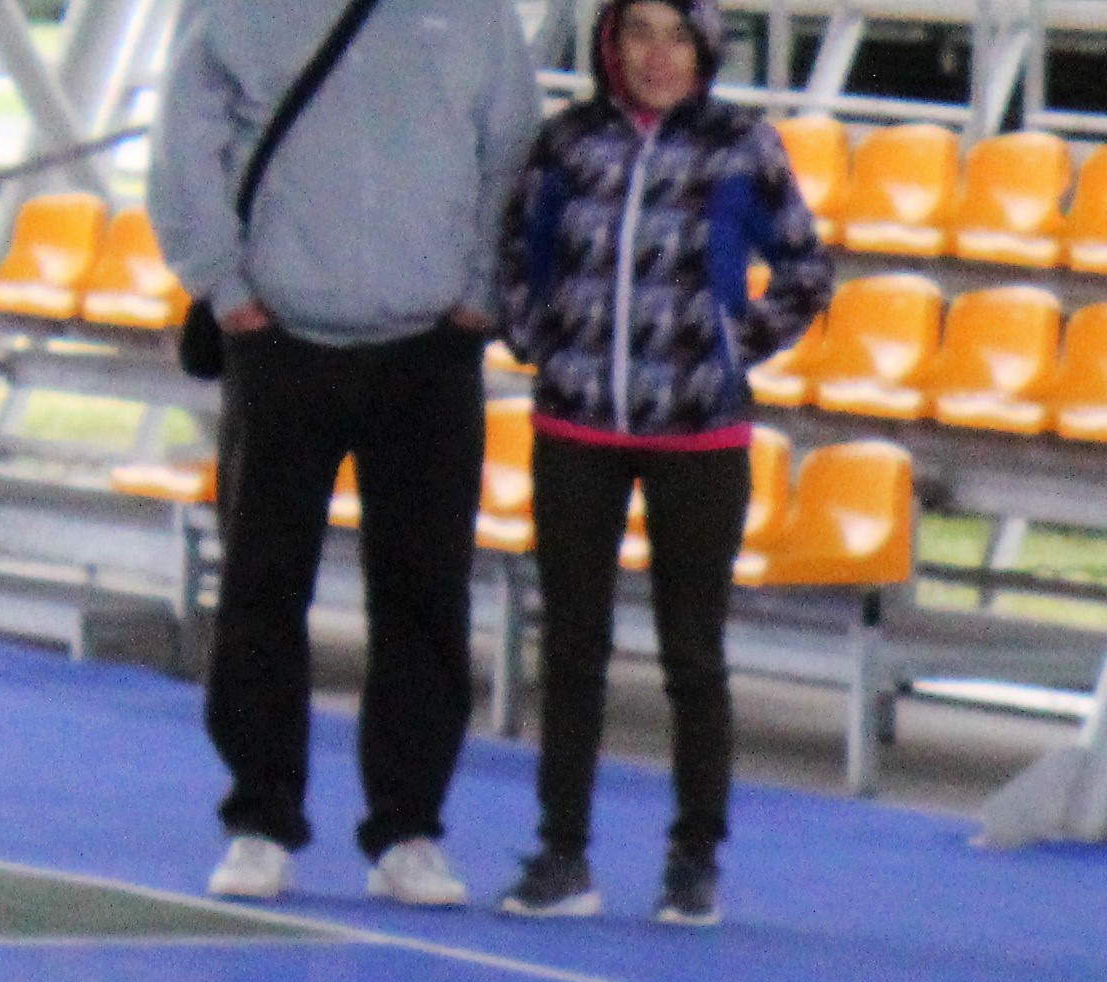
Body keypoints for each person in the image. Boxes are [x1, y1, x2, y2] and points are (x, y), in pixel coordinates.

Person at [155, 0, 543, 905]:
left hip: (431, 347)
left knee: (426, 593)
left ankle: (409, 829)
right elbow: (183, 147)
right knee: (260, 586)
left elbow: (511, 153)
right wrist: (225, 287)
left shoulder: (477, 13)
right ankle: (259, 820)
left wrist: (481, 292)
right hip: (280, 337)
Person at [486, 0, 830, 931]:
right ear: (609, 43)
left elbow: (805, 271)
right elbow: (517, 251)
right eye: (637, 32)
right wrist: (539, 340)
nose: (657, 54)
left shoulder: (742, 146)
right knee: (572, 648)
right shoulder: (568, 143)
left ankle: (694, 859)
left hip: (699, 437)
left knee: (693, 654)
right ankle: (562, 854)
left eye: (677, 35)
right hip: (576, 428)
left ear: (705, 48)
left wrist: (725, 348)